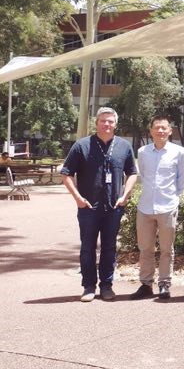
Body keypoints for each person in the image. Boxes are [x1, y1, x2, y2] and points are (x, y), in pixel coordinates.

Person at [61, 107, 138, 302]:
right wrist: (78, 198)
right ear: (96, 123)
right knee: (87, 248)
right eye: (103, 121)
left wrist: (125, 195)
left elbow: (132, 173)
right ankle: (88, 286)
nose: (107, 124)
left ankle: (106, 286)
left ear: (116, 124)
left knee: (109, 247)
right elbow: (66, 174)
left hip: (113, 208)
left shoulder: (124, 146)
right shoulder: (82, 145)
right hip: (88, 207)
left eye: (110, 121)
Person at [131, 116, 184, 300]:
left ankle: (164, 283)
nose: (160, 131)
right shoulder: (143, 152)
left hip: (167, 206)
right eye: (157, 127)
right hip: (145, 207)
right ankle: (146, 284)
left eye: (164, 128)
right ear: (151, 131)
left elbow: (182, 179)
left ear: (170, 131)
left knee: (166, 249)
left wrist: (173, 197)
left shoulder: (179, 152)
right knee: (145, 248)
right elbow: (143, 175)